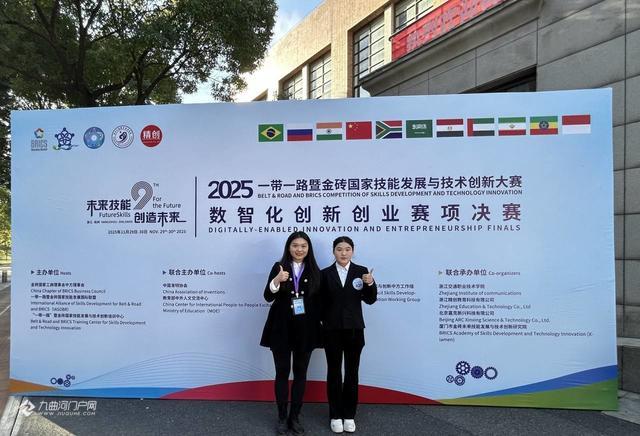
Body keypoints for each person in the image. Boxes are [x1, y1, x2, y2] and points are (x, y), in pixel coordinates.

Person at [260, 231, 322, 435]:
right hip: (281, 328)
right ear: (288, 247)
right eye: (295, 245)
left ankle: (294, 417)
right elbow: (268, 296)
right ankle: (281, 417)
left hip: (306, 329)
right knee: (282, 372)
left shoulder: (315, 270)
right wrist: (277, 280)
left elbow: (320, 302)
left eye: (303, 246)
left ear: (308, 248)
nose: (299, 249)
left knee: (301, 373)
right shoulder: (279, 267)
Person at [321, 236, 377, 434]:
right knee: (334, 373)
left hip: (354, 330)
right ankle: (335, 415)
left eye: (347, 249)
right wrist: (323, 322)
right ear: (333, 251)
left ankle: (349, 415)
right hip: (332, 331)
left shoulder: (361, 272)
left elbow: (370, 299)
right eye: (339, 249)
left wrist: (370, 283)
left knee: (352, 373)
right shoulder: (325, 274)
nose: (343, 253)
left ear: (353, 251)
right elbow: (319, 303)